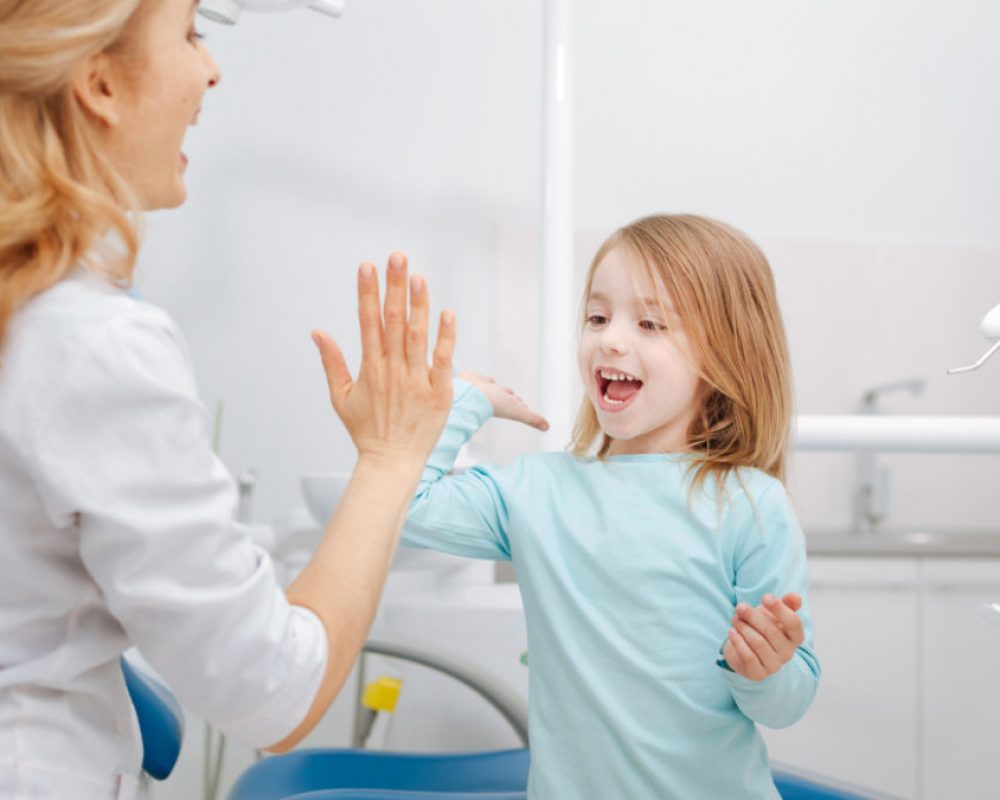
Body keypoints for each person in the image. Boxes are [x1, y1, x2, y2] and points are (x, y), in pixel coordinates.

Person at [0, 1, 455, 797]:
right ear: (99, 82)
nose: (212, 67)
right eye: (188, 31)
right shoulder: (89, 343)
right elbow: (271, 687)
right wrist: (391, 457)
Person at [402, 213, 821, 798]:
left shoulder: (751, 505)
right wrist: (464, 403)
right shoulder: (535, 491)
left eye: (650, 322)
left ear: (724, 355)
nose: (611, 339)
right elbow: (403, 506)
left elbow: (788, 700)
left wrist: (765, 671)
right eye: (597, 317)